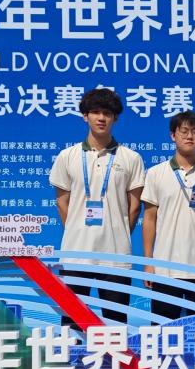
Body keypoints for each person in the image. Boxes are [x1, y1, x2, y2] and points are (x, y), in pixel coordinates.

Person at [50, 88, 145, 329]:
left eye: (107, 113)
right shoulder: (67, 156)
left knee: (116, 326)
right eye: (95, 112)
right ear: (85, 116)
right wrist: (77, 229)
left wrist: (118, 232)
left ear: (115, 118)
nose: (101, 118)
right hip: (75, 254)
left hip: (115, 255)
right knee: (72, 326)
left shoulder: (131, 158)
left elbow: (135, 207)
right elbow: (62, 202)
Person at [141, 111, 195, 320]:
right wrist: (148, 261)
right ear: (173, 135)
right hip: (165, 268)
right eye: (184, 131)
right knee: (163, 331)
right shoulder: (156, 173)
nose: (190, 136)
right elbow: (149, 219)